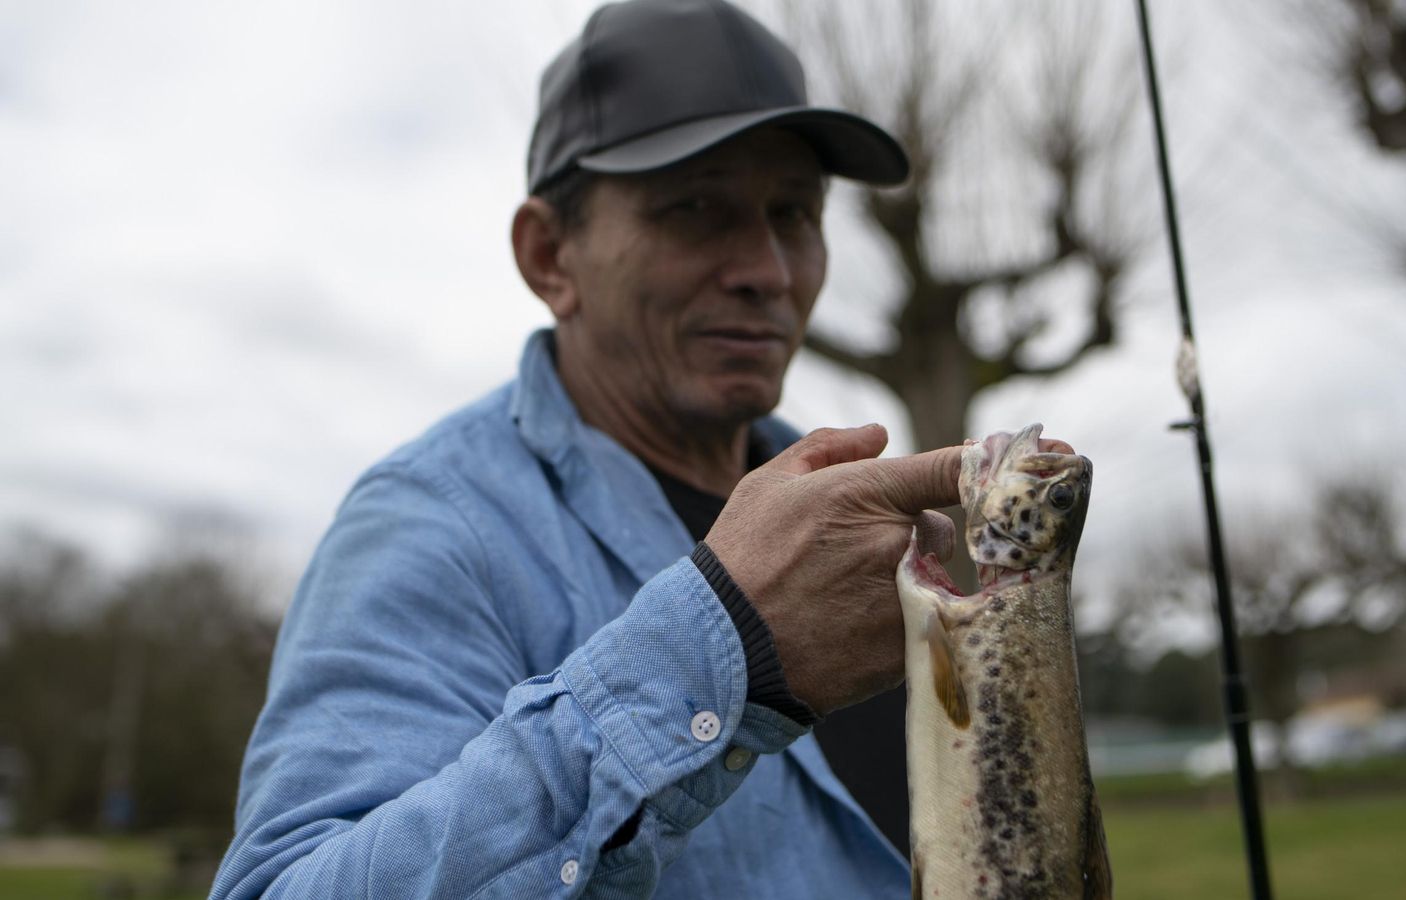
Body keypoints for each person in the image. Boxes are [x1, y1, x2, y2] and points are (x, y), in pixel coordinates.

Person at [211, 1, 965, 896]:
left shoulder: (872, 530)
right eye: (696, 209)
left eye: (794, 213)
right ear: (549, 256)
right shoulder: (432, 527)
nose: (767, 268)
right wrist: (723, 648)